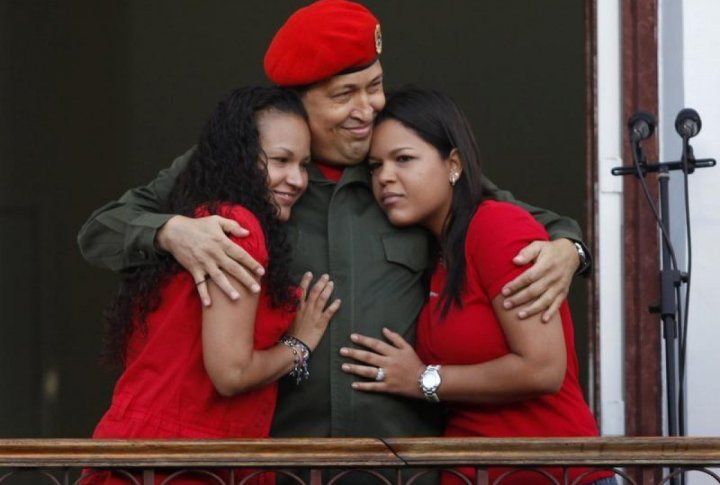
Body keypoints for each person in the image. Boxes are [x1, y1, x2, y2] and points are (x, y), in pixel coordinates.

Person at [78, 0, 590, 467]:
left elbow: (525, 218)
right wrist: (172, 232)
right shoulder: (242, 165)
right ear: (298, 104)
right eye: (344, 95)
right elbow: (100, 230)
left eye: (374, 84)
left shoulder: (401, 165)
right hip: (286, 463)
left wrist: (570, 250)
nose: (367, 108)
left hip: (406, 461)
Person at [339, 87, 615, 485]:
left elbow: (543, 368)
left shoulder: (497, 226)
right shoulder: (438, 252)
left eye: (404, 159)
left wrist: (422, 380)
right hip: (475, 472)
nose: (385, 177)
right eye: (375, 166)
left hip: (552, 473)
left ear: (453, 164)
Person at [84, 86, 341, 485]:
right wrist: (298, 346)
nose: (297, 179)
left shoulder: (207, 216)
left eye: (304, 164)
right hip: (187, 462)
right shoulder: (237, 229)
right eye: (280, 160)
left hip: (150, 454)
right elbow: (231, 373)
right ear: (239, 158)